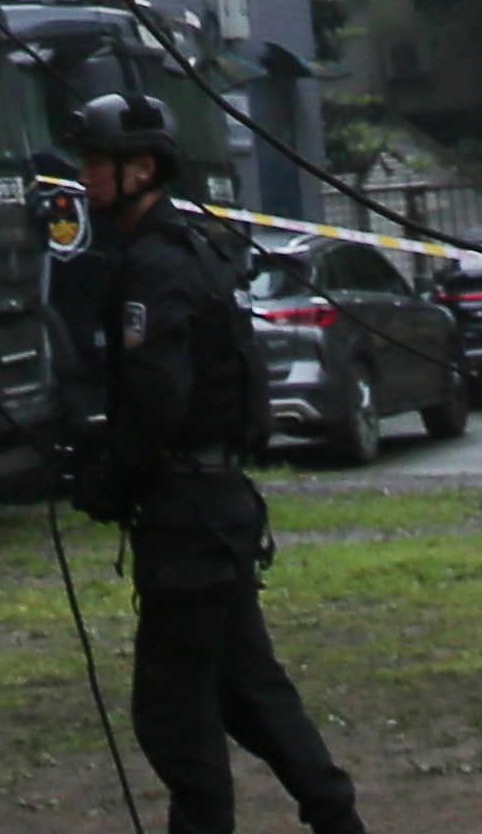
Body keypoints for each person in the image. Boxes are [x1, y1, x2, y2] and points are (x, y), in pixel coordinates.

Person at [56, 90, 363, 834]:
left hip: (190, 521)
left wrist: (106, 482)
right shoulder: (187, 249)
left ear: (144, 168)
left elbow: (160, 400)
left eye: (100, 162)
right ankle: (337, 819)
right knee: (249, 692)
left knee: (172, 719)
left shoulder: (157, 266)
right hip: (216, 510)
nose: (87, 178)